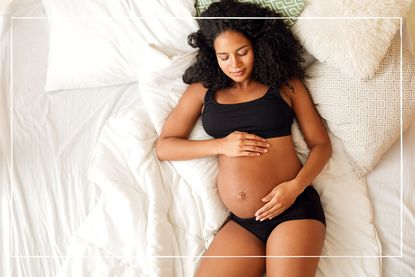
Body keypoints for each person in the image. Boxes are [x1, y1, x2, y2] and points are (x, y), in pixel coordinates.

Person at [155, 0, 332, 276]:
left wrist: (295, 187)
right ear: (212, 55)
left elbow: (321, 145)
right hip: (243, 223)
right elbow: (164, 147)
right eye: (223, 57)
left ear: (258, 46)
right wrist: (221, 145)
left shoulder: (286, 85)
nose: (234, 64)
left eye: (242, 52)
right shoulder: (202, 91)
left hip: (294, 209)